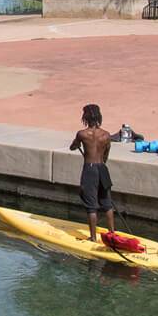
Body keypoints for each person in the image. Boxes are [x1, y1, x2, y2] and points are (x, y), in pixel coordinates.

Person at [69, 103, 122, 242]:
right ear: (99, 117)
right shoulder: (106, 135)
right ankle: (112, 233)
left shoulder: (82, 134)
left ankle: (93, 237)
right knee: (107, 203)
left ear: (85, 117)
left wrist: (77, 145)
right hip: (102, 168)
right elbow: (106, 155)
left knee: (91, 205)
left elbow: (73, 146)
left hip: (90, 169)